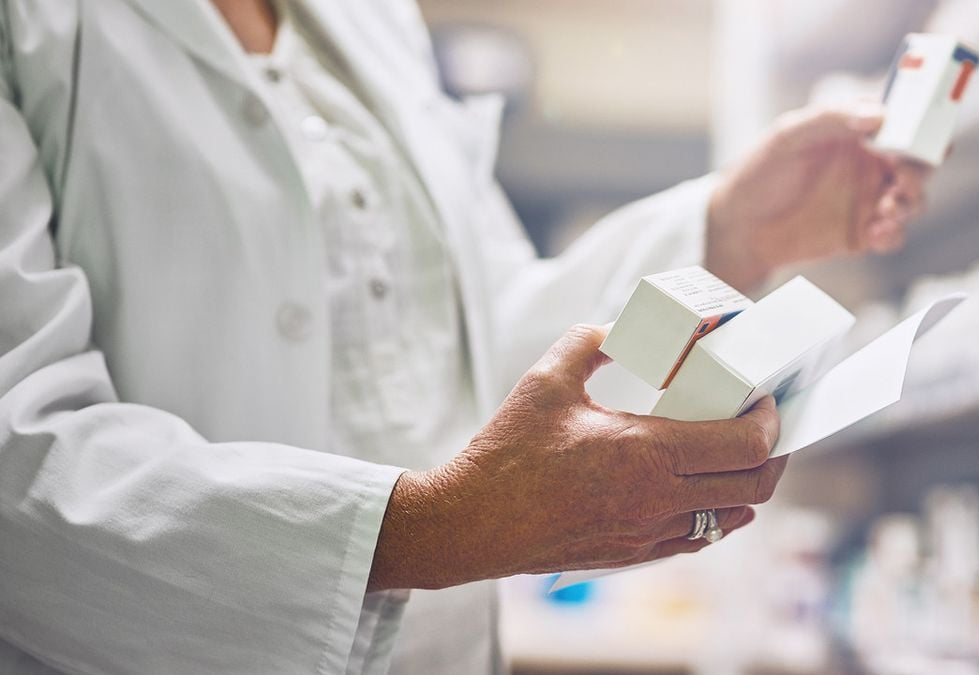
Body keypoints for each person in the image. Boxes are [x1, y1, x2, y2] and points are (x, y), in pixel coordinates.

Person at [0, 0, 929, 673]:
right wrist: (429, 530)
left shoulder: (370, 21)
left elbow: (483, 334)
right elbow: (19, 449)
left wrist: (734, 226)